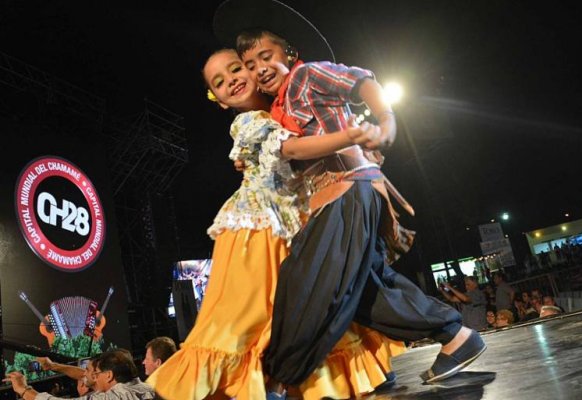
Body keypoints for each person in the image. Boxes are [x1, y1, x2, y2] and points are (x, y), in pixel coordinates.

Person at [213, 0, 486, 388]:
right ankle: (457, 338)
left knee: (303, 279)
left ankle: (276, 380)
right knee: (365, 290)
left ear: (288, 54)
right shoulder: (275, 110)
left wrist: (386, 121)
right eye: (251, 64)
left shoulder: (307, 76)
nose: (259, 68)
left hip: (347, 191)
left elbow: (362, 80)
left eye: (266, 56)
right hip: (337, 196)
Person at [148, 49, 405, 400]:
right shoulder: (249, 123)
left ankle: (342, 373)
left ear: (253, 70)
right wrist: (352, 135)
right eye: (219, 83)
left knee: (306, 305)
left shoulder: (282, 110)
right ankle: (255, 383)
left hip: (290, 222)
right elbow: (296, 150)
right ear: (220, 101)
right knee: (251, 316)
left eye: (236, 68)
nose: (232, 80)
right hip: (255, 229)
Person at [4, 350, 154, 400]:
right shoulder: (146, 388)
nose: (93, 377)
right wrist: (53, 366)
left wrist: (23, 389)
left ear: (108, 375)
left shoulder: (113, 397)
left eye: (96, 373)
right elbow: (86, 376)